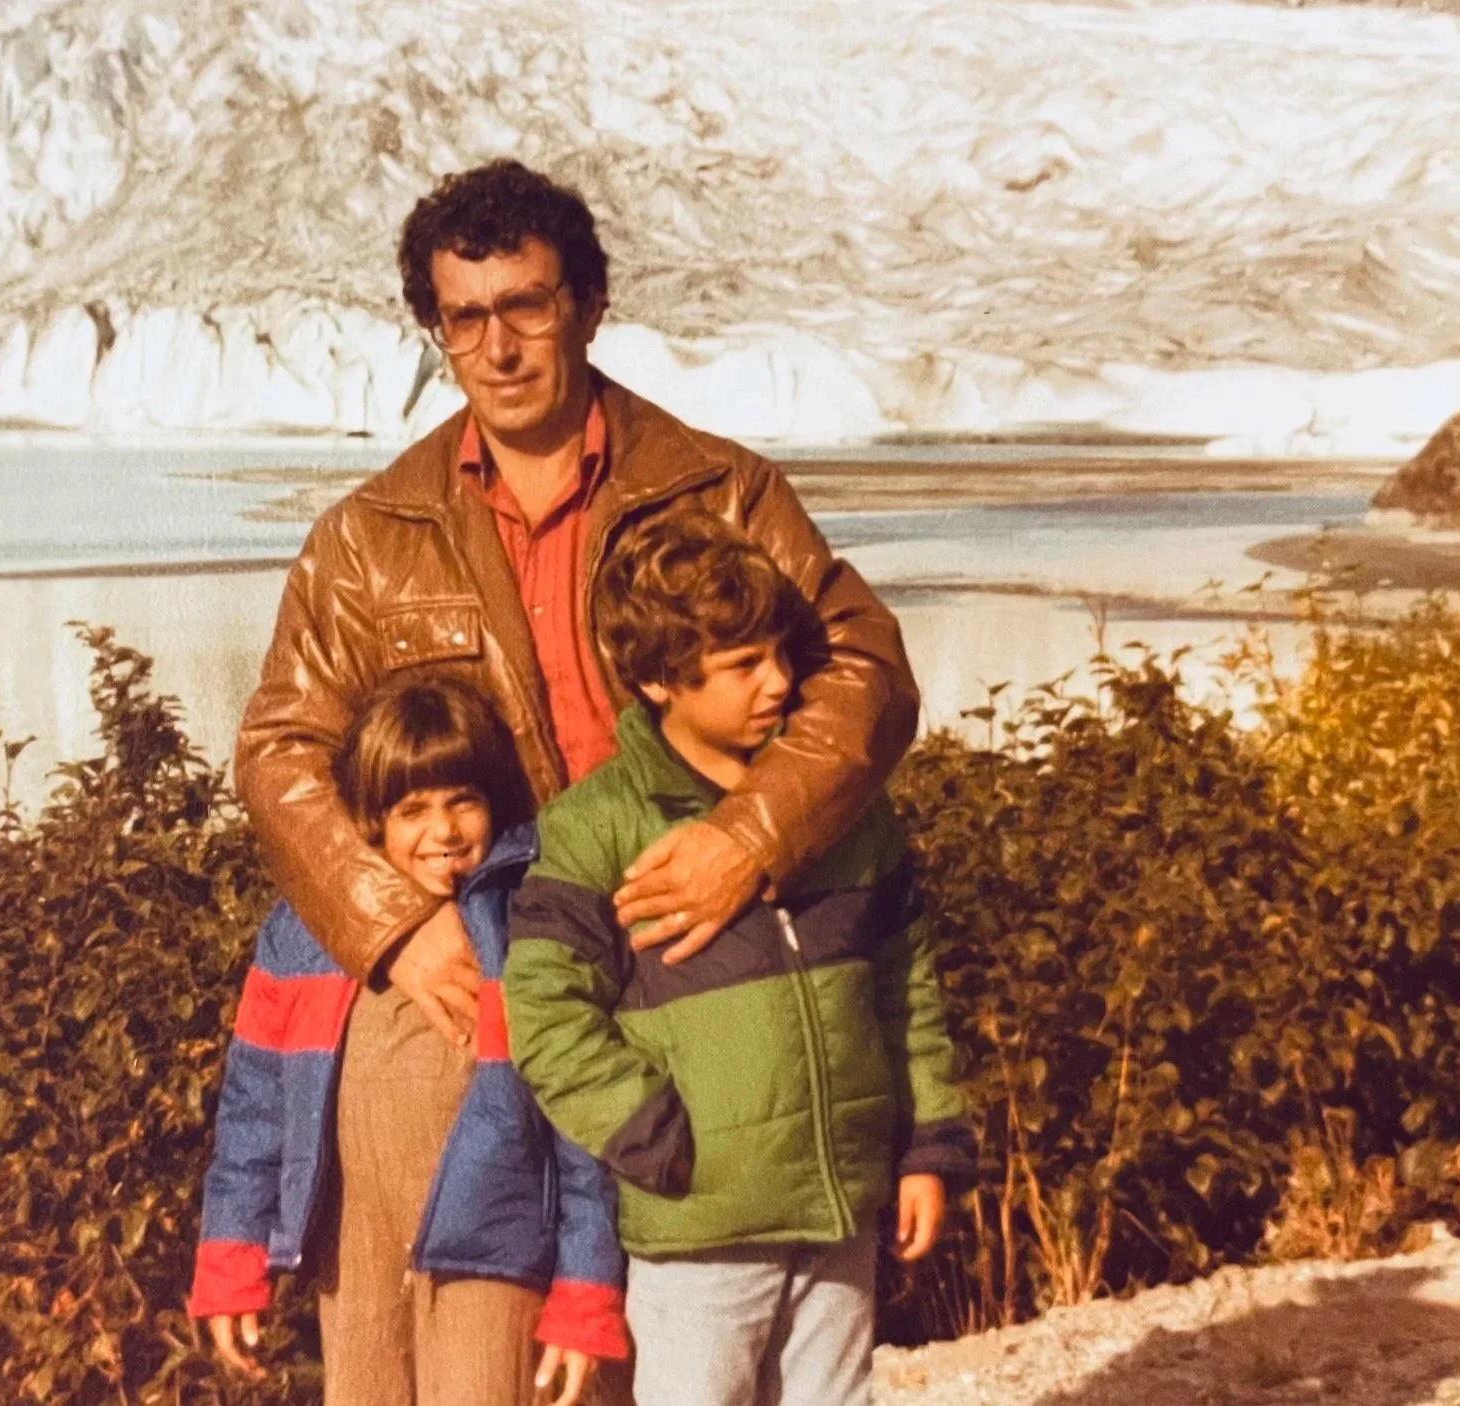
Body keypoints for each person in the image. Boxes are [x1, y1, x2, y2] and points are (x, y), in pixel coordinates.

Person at [234, 159, 922, 1069]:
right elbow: (280, 748)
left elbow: (864, 666)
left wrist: (747, 838)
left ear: (589, 307)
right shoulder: (367, 539)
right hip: (496, 984)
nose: (499, 349)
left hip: (707, 947)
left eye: (526, 306)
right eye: (465, 319)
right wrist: (394, 922)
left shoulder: (719, 491)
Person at [502, 512, 976, 1406]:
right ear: (656, 682)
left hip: (838, 1211)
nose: (783, 683)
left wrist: (924, 1148)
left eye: (781, 655)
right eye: (743, 666)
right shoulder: (598, 827)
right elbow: (546, 1015)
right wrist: (661, 1142)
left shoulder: (843, 811)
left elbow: (905, 988)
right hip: (700, 1235)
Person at [190, 675, 627, 1406]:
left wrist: (585, 1291)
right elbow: (254, 1111)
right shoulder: (305, 931)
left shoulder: (531, 923)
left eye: (464, 800)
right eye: (412, 809)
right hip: (353, 1251)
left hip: (495, 1248)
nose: (445, 831)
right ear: (369, 820)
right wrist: (233, 1258)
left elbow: (583, 1129)